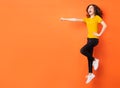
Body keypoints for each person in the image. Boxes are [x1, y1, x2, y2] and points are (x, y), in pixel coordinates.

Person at [60, 4, 107, 84]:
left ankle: (95, 60)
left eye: (91, 8)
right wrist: (64, 19)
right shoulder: (87, 19)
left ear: (94, 10)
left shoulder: (97, 18)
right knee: (88, 58)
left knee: (82, 50)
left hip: (94, 39)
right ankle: (90, 74)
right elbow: (75, 19)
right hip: (88, 39)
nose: (89, 9)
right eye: (88, 8)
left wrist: (99, 34)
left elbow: (105, 25)